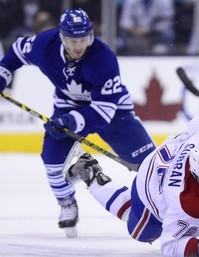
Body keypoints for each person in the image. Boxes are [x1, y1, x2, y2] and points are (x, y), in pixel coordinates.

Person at [0, 8, 156, 238]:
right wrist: (3, 73)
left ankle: (165, 204)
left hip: (113, 111)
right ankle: (67, 203)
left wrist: (72, 121)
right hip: (68, 106)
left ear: (91, 36)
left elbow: (103, 111)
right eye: (73, 40)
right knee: (52, 162)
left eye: (83, 39)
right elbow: (16, 51)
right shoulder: (45, 45)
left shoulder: (103, 58)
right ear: (62, 37)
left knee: (149, 164)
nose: (78, 45)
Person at [64, 110, 199, 257]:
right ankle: (91, 174)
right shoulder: (187, 202)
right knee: (139, 231)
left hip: (164, 159)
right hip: (149, 186)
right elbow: (169, 244)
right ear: (198, 178)